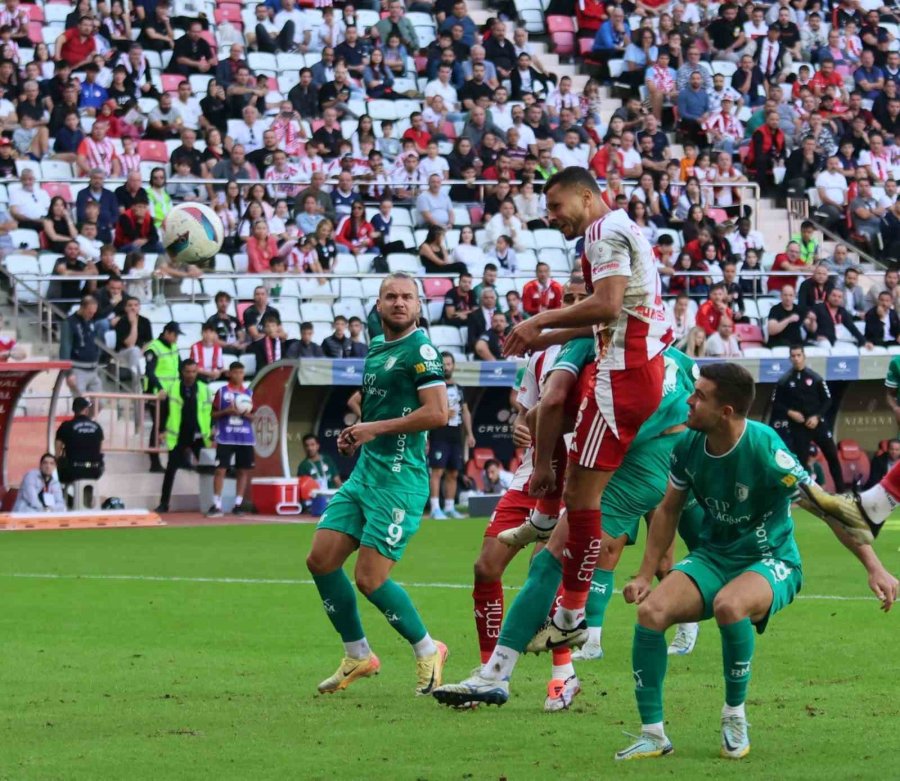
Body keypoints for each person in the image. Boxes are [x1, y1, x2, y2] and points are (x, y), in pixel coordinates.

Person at [614, 362, 895, 761]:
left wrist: (874, 566)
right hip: (715, 556)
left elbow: (826, 508)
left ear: (725, 411)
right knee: (651, 613)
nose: (689, 402)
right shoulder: (687, 446)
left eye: (699, 396)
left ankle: (734, 717)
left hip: (771, 557)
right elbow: (667, 511)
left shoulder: (765, 449)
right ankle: (653, 734)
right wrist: (645, 574)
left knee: (730, 605)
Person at [499, 166, 670, 652]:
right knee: (578, 487)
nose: (552, 218)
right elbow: (612, 311)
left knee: (582, 497)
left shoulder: (601, 232)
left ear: (586, 197)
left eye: (556, 206)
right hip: (635, 367)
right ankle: (559, 563)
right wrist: (543, 335)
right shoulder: (624, 228)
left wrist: (539, 318)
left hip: (623, 371)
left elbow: (608, 305)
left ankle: (572, 611)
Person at [304, 272, 450, 696]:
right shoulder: (376, 346)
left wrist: (373, 428)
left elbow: (438, 413)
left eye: (407, 297)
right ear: (379, 305)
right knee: (321, 560)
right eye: (391, 297)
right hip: (366, 474)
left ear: (419, 306)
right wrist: (357, 429)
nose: (399, 303)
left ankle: (428, 650)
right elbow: (371, 401)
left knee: (369, 579)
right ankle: (358, 654)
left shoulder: (420, 349)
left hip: (399, 481)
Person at [772, 345, 845, 492]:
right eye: (793, 356)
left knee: (832, 456)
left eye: (799, 355)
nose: (796, 359)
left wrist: (817, 416)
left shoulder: (815, 377)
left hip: (817, 424)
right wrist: (790, 413)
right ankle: (808, 494)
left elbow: (828, 400)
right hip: (798, 427)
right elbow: (775, 402)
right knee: (801, 462)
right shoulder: (784, 380)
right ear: (790, 358)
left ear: (804, 357)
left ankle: (842, 492)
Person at [155, 358, 212, 514]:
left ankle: (213, 502)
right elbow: (165, 411)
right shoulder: (173, 388)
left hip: (199, 434)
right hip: (178, 434)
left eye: (194, 371)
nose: (191, 375)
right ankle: (164, 503)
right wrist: (161, 431)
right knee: (170, 470)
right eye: (188, 371)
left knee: (210, 468)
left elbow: (209, 411)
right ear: (182, 372)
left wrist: (212, 429)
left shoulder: (204, 388)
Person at [428, 353, 474, 519]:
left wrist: (469, 434)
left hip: (456, 435)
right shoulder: (435, 387)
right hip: (439, 433)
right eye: (444, 364)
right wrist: (444, 413)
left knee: (453, 472)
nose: (447, 367)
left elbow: (466, 411)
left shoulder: (460, 388)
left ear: (454, 366)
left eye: (449, 364)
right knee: (437, 471)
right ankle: (434, 508)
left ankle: (449, 506)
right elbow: (429, 410)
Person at [207, 362, 255, 517]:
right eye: (235, 372)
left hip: (245, 437)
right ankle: (216, 504)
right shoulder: (222, 392)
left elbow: (254, 416)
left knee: (243, 470)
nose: (238, 376)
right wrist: (227, 411)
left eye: (241, 372)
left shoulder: (249, 393)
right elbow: (212, 415)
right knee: (220, 469)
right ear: (229, 374)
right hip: (226, 436)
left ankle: (238, 504)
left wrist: (244, 414)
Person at [54, 397, 104, 487]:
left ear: (74, 410)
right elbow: (100, 450)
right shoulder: (97, 427)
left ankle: (67, 497)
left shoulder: (66, 426)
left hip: (73, 470)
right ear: (86, 410)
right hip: (94, 470)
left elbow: (57, 451)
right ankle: (87, 498)